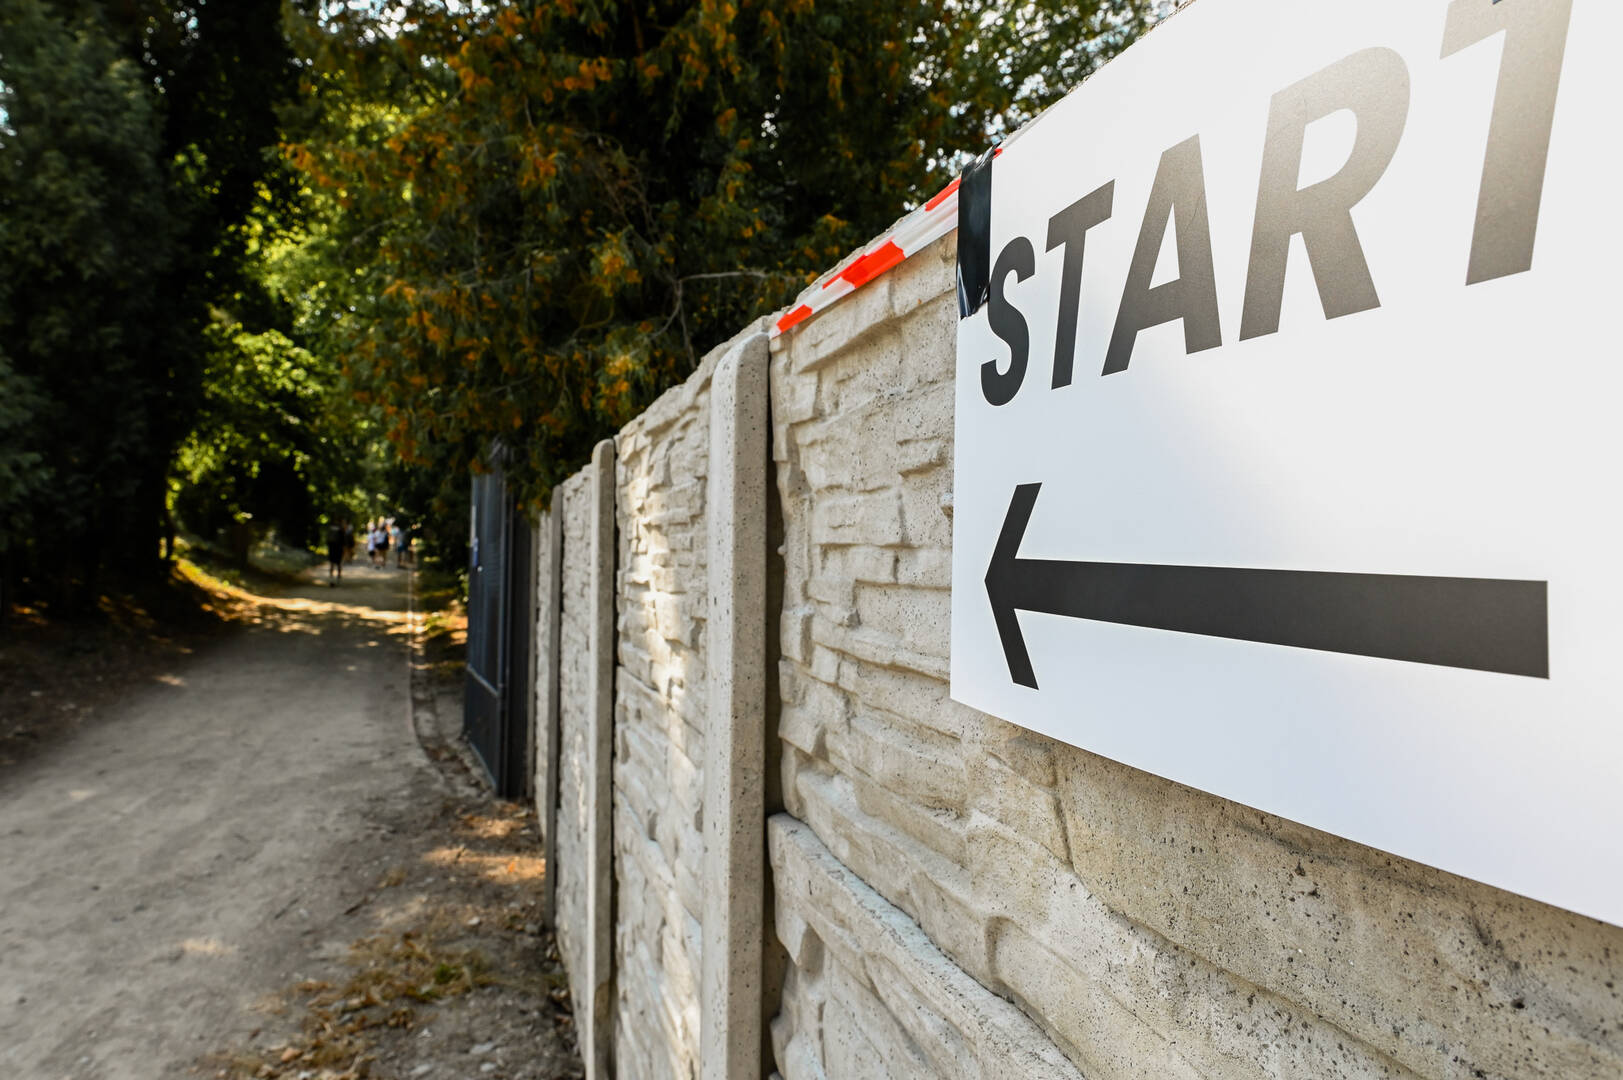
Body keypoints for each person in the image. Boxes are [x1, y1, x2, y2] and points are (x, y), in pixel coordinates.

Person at [326, 520, 345, 586]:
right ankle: (338, 579)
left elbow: (327, 541)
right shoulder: (341, 530)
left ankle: (331, 579)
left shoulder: (330, 530)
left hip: (331, 550)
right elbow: (344, 542)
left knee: (332, 564)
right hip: (339, 550)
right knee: (339, 564)